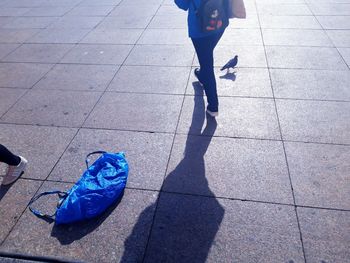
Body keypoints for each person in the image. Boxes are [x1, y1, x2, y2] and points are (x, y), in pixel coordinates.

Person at [175, 0, 229, 117]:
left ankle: (213, 106)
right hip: (220, 22)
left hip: (200, 29)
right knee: (206, 56)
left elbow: (182, 4)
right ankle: (201, 75)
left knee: (207, 64)